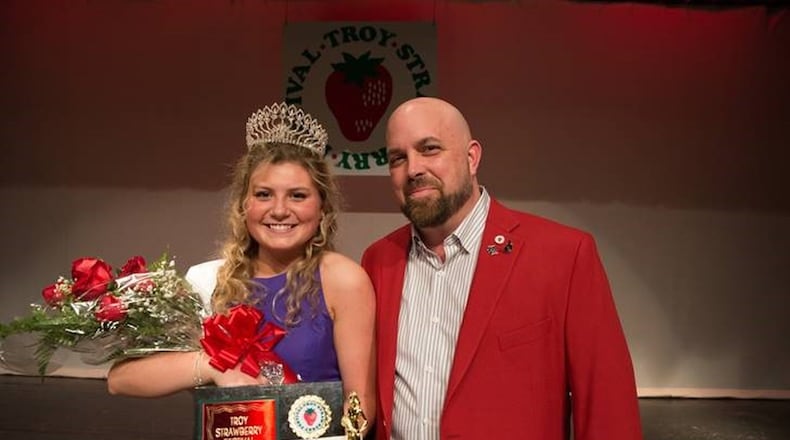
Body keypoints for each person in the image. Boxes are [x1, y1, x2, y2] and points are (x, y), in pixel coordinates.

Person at [361, 97, 642, 439]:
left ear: (472, 157)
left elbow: (608, 407)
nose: (413, 169)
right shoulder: (378, 262)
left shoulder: (563, 255)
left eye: (430, 149)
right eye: (398, 158)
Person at [107, 103, 376, 431]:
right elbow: (121, 379)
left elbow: (360, 405)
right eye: (264, 194)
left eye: (297, 195)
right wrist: (212, 364)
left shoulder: (342, 280)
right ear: (243, 205)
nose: (279, 210)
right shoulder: (210, 280)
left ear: (322, 207)